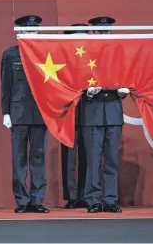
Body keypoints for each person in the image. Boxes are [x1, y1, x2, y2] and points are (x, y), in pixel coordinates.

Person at [81, 17, 130, 213]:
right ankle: (93, 200)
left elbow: (128, 75)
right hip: (92, 112)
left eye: (106, 31)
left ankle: (110, 199)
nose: (103, 35)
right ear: (93, 33)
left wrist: (124, 91)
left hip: (113, 112)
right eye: (100, 32)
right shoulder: (84, 54)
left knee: (111, 160)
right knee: (93, 160)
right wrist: (87, 92)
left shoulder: (119, 54)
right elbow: (73, 80)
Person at [1, 15, 49, 213]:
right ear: (19, 32)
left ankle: (37, 200)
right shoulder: (11, 54)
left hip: (40, 112)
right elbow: (6, 86)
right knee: (19, 158)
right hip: (18, 113)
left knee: (39, 158)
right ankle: (22, 200)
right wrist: (5, 113)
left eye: (34, 30)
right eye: (27, 30)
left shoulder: (46, 53)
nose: (31, 33)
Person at [61, 24, 89, 209]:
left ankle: (85, 194)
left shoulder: (92, 56)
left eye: (83, 35)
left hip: (90, 109)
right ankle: (71, 196)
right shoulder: (61, 57)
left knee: (88, 155)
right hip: (68, 110)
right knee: (69, 156)